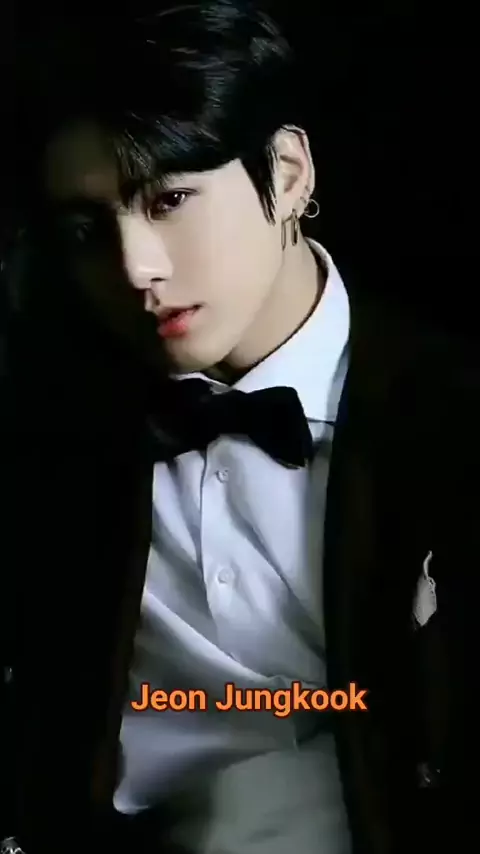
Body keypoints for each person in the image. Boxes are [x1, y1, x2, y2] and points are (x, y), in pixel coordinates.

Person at [0, 2, 476, 853]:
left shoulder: (451, 413)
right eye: (86, 229)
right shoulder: (49, 430)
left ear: (288, 174)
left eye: (171, 198)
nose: (136, 268)